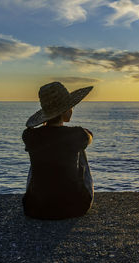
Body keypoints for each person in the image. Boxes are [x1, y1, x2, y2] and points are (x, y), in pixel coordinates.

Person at [22, 81, 94, 220]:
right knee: (80, 149)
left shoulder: (29, 136)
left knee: (39, 152)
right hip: (75, 207)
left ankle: (41, 193)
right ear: (65, 110)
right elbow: (89, 136)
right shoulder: (78, 134)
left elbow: (41, 135)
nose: (72, 109)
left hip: (34, 208)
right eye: (71, 106)